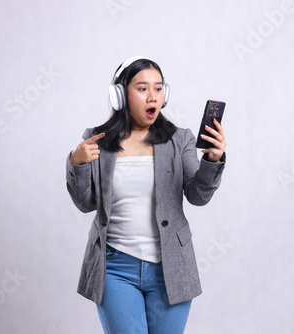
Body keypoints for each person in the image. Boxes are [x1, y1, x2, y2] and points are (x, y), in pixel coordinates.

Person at [66, 56, 226, 333]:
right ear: (120, 95)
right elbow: (85, 203)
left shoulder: (179, 139)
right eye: (142, 88)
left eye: (158, 88)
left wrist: (213, 160)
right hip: (115, 269)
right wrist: (77, 164)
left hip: (170, 269)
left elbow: (198, 196)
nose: (152, 96)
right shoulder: (97, 140)